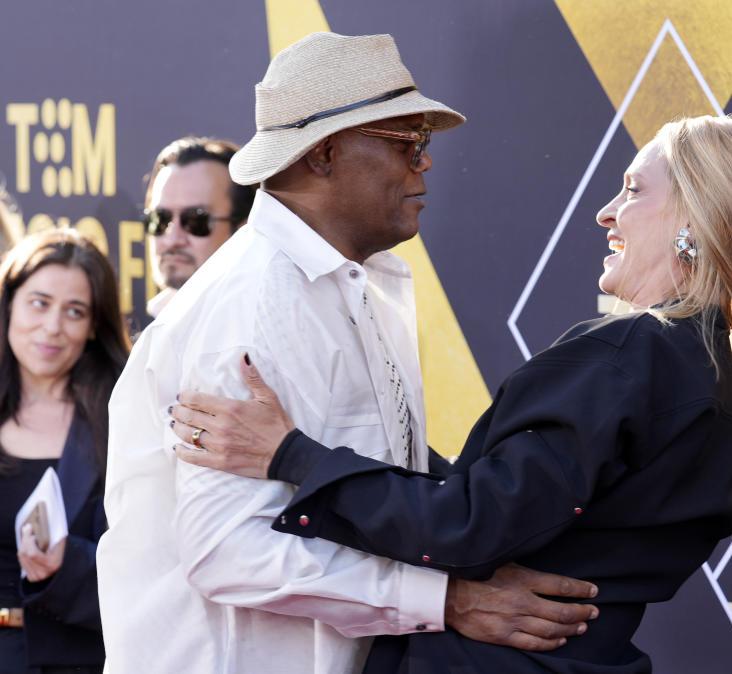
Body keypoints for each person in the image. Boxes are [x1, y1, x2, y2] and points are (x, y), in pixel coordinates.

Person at [171, 114, 732, 673]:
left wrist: (293, 455)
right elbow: (525, 506)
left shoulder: (634, 353)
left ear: (696, 219)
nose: (608, 212)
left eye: (635, 190)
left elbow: (468, 523)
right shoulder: (703, 372)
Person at [97, 32, 597, 674]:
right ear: (325, 153)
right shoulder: (252, 303)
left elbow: (374, 484)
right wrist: (450, 600)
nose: (426, 163)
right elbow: (227, 550)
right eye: (408, 142)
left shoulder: (358, 281)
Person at [0, 229, 129, 673]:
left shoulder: (125, 419)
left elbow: (151, 565)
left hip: (81, 660)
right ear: (9, 302)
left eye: (74, 312)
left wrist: (67, 563)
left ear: (94, 325)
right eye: (39, 303)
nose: (52, 327)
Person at [142, 136, 256, 316]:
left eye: (196, 221)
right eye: (160, 219)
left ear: (243, 229)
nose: (173, 239)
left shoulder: (263, 328)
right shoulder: (159, 319)